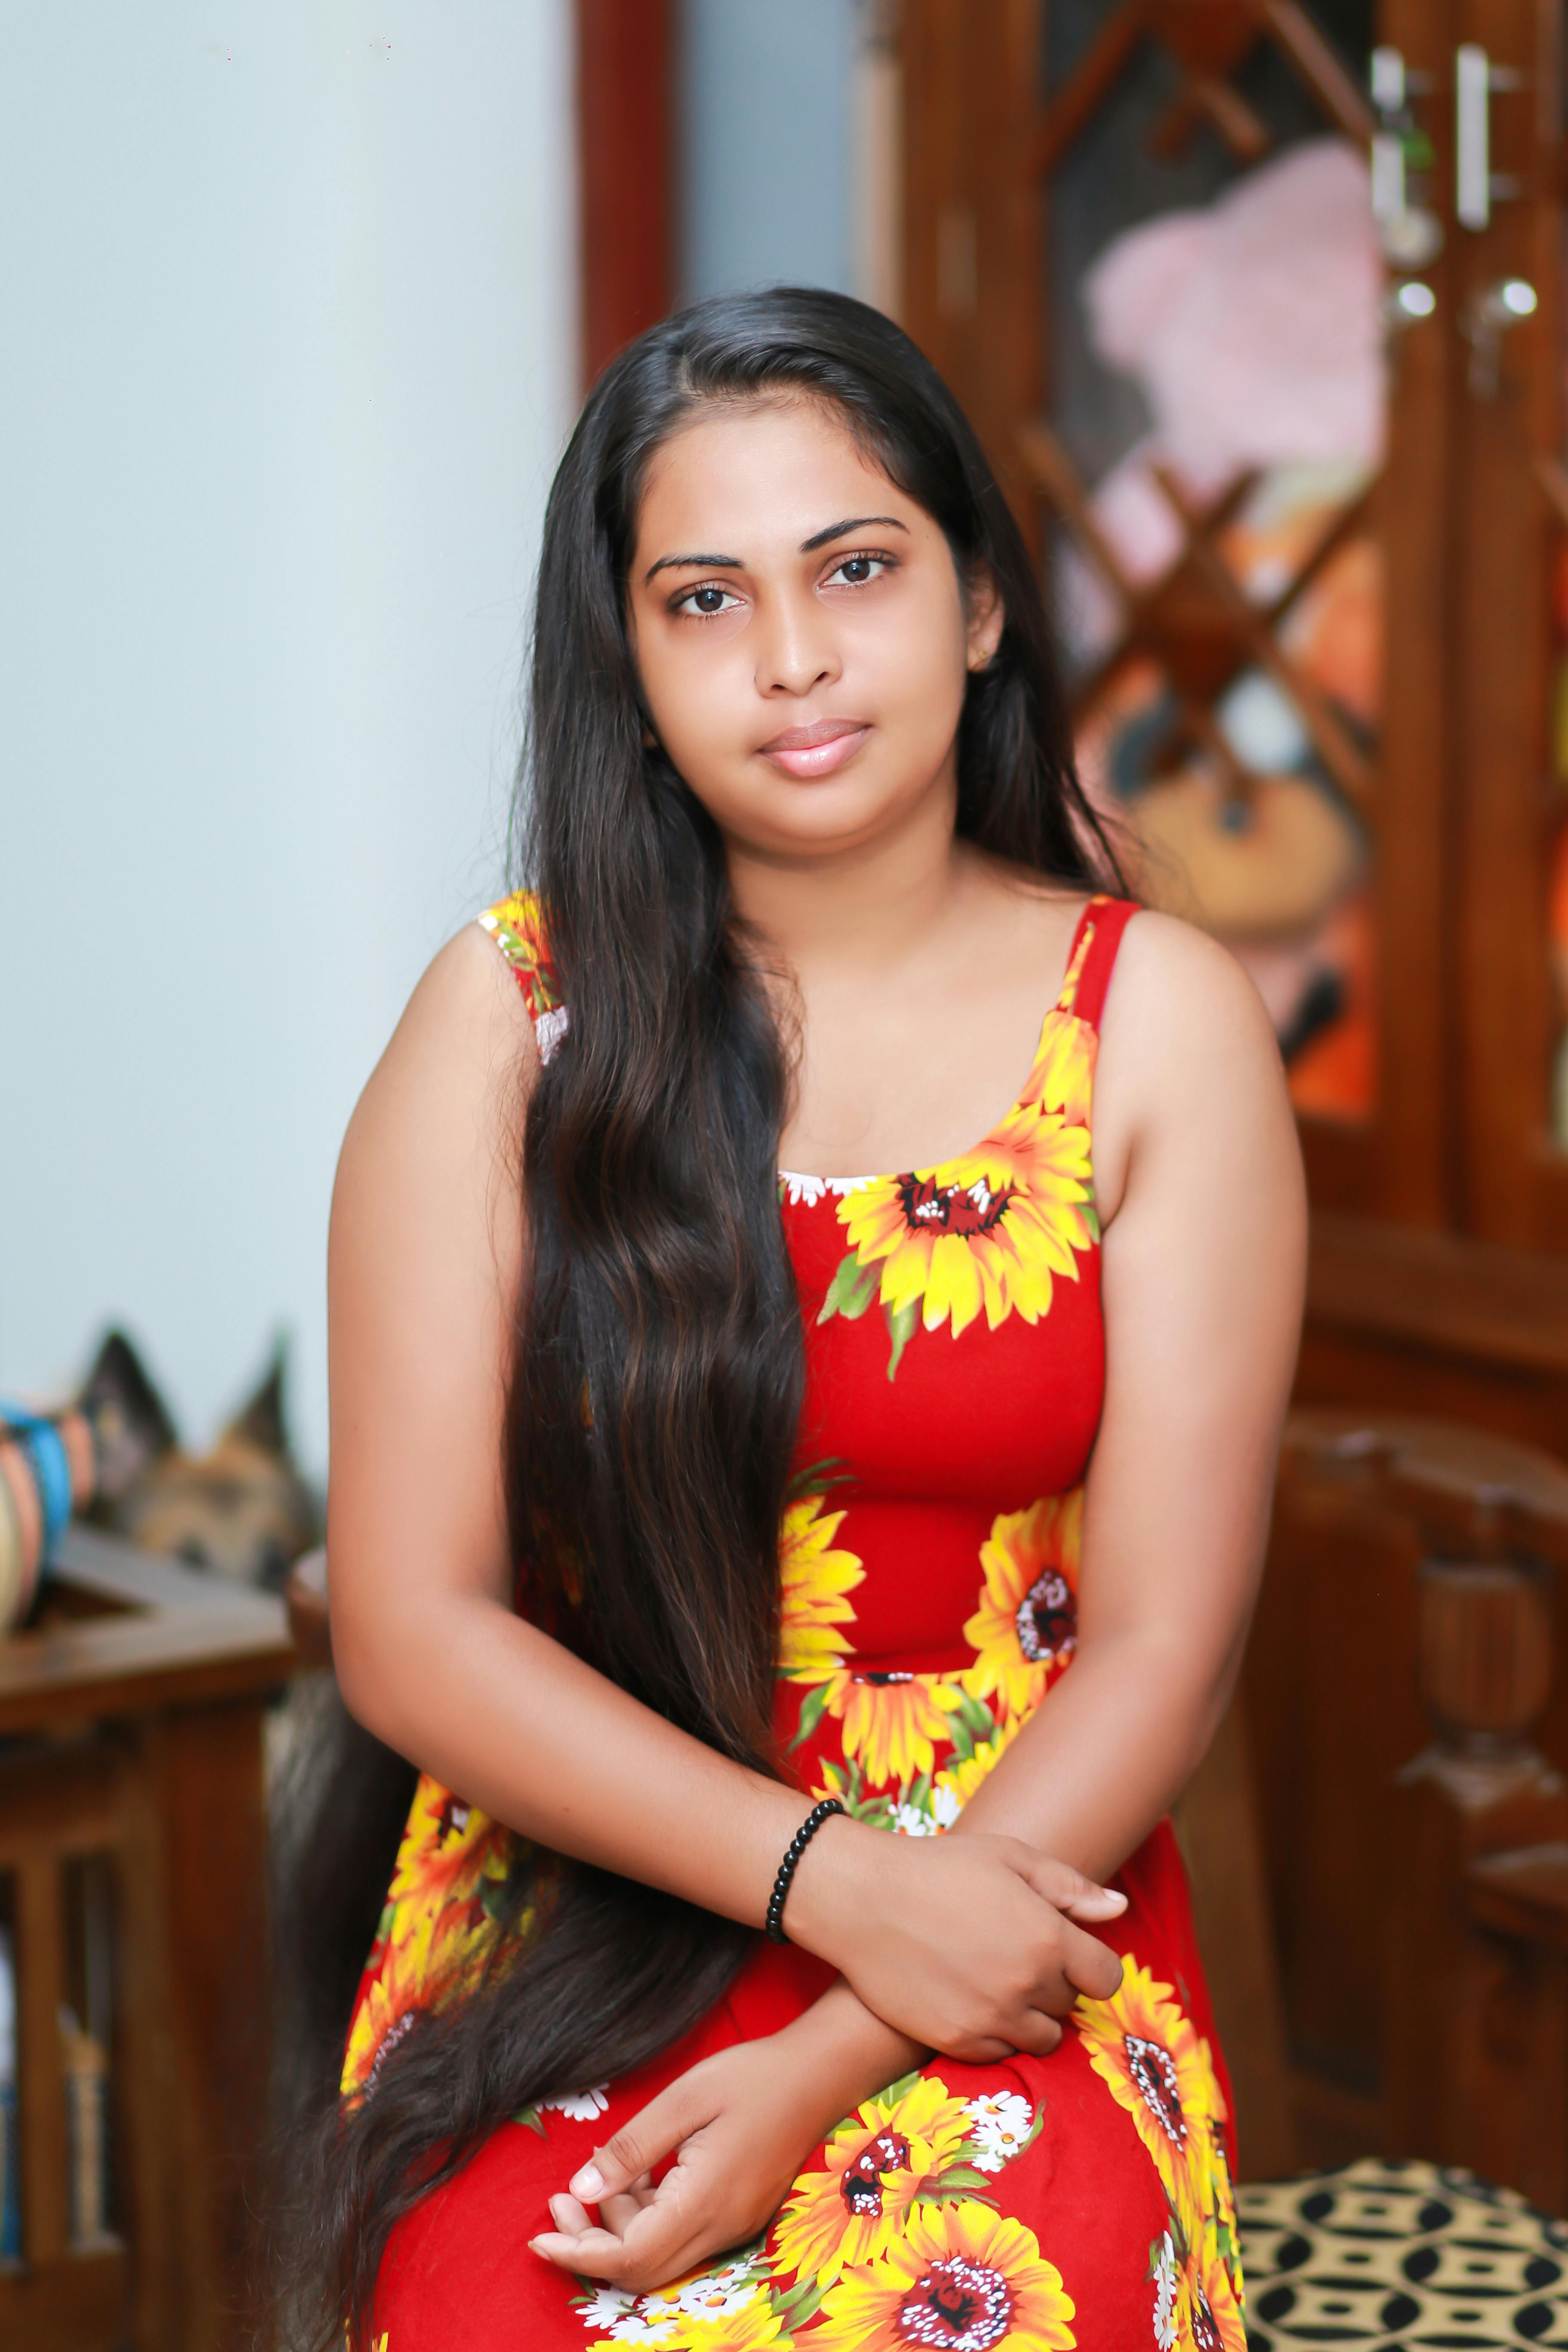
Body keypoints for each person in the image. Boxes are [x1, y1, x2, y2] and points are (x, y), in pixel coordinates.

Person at [311, 288, 1305, 2352]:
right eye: (705, 600)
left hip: (1018, 1897)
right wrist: (828, 1882)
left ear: (980, 607)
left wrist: (842, 2038)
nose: (791, 659)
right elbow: (411, 1625)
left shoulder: (1157, 1027)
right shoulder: (507, 1028)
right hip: (585, 1895)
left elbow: (1161, 1649)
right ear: (628, 664)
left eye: (856, 570)